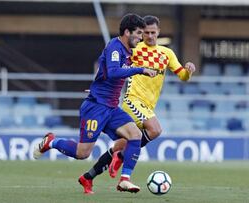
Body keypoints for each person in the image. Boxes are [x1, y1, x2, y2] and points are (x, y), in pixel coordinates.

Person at [33, 13, 157, 194]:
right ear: (127, 32)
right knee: (83, 153)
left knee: (135, 135)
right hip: (97, 107)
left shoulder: (127, 51)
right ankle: (51, 142)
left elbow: (105, 71)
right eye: (138, 33)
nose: (141, 37)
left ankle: (124, 180)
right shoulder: (115, 47)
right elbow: (114, 72)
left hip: (111, 107)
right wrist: (141, 70)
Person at [79, 15, 196, 194]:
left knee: (121, 145)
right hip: (132, 101)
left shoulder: (167, 54)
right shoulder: (134, 48)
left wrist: (188, 71)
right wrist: (97, 88)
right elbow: (110, 66)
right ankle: (122, 168)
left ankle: (88, 176)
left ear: (158, 32)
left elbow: (182, 76)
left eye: (152, 32)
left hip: (149, 106)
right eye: (146, 32)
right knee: (155, 129)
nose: (148, 36)